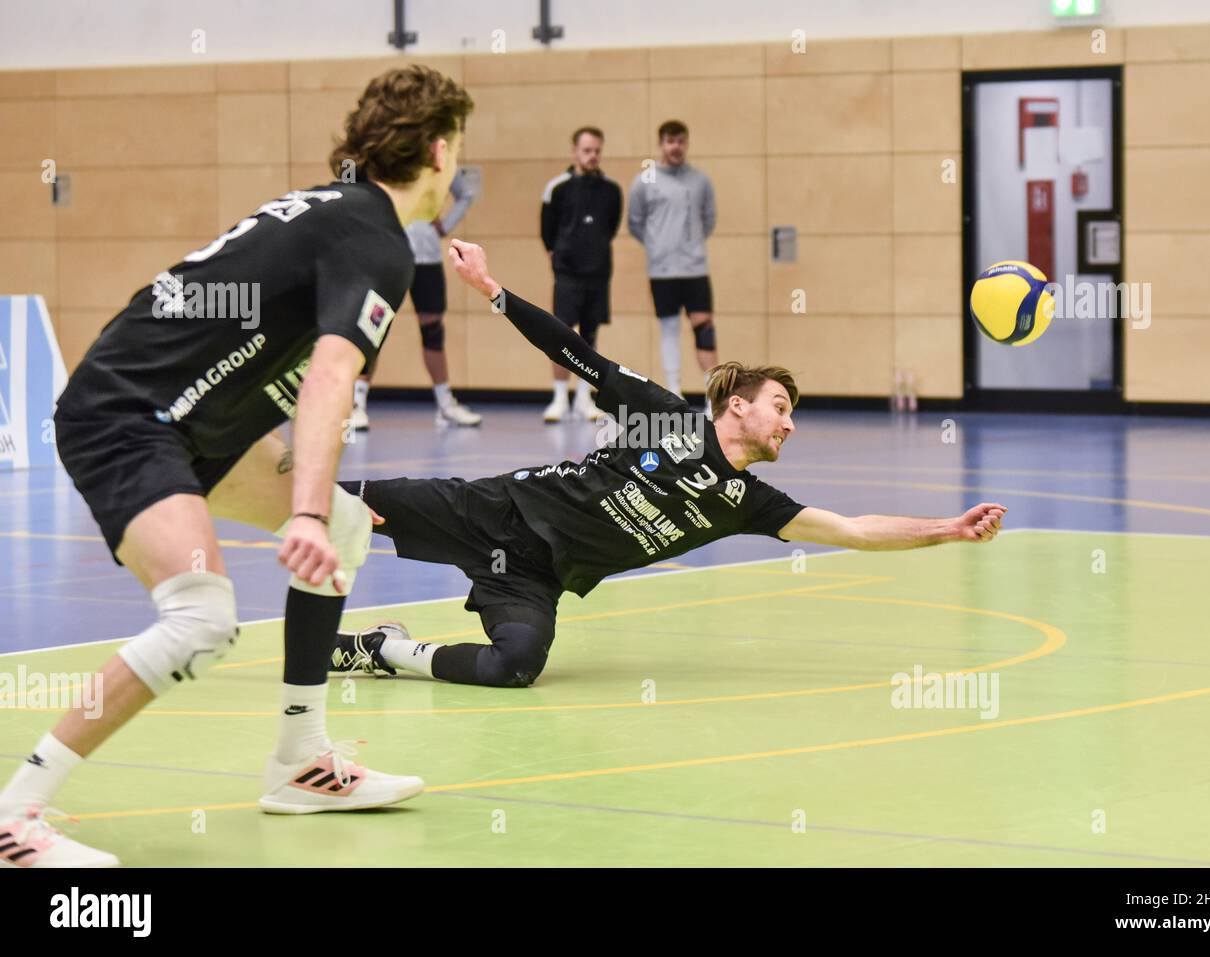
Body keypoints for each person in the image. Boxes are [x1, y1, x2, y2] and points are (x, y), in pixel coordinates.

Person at [0, 65, 473, 868]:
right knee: (202, 618)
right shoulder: (376, 239)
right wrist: (305, 511)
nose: (458, 163)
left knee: (351, 527)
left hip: (194, 419)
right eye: (459, 146)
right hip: (127, 415)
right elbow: (330, 377)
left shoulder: (333, 210)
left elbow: (246, 355)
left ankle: (300, 759)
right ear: (437, 148)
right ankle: (15, 814)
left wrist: (317, 504)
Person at [329, 239, 1007, 689]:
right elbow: (572, 351)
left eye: (792, 413)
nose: (790, 422)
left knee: (517, 666)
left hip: (539, 576)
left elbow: (855, 530)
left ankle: (382, 649)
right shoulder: (664, 414)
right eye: (779, 405)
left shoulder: (747, 502)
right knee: (336, 501)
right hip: (496, 510)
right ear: (737, 408)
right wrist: (489, 287)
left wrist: (949, 527)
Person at [351, 166, 481, 430]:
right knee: (374, 328)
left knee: (433, 331)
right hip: (388, 253)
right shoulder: (384, 153)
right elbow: (353, 188)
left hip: (427, 257)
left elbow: (466, 193)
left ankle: (445, 405)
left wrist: (445, 225)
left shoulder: (439, 157)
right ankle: (356, 405)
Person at [627, 120, 717, 407]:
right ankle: (675, 390)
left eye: (681, 141)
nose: (675, 147)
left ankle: (712, 394)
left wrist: (689, 246)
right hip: (662, 271)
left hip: (694, 269)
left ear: (686, 143)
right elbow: (635, 222)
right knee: (668, 328)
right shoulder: (645, 181)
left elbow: (709, 218)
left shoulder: (700, 180)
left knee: (704, 328)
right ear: (661, 144)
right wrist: (658, 247)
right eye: (670, 141)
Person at [539, 126, 622, 423]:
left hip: (597, 273)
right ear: (574, 151)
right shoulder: (557, 188)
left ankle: (584, 397)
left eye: (597, 151)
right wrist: (560, 256)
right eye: (587, 151)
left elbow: (610, 227)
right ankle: (559, 397)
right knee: (561, 334)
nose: (592, 156)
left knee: (590, 337)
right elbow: (547, 232)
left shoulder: (611, 190)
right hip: (567, 273)